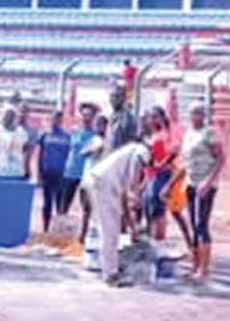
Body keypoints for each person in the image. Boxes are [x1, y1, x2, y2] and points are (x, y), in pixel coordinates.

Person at [81, 140, 150, 286]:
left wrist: (132, 228)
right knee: (110, 231)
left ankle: (108, 268)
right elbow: (133, 182)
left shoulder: (123, 158)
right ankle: (110, 275)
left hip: (98, 181)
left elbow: (124, 201)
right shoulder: (140, 152)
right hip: (103, 183)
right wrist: (136, 195)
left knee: (107, 228)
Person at [182, 102, 226, 281]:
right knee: (193, 224)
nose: (196, 117)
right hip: (190, 182)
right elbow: (186, 161)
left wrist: (208, 181)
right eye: (193, 113)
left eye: (199, 113)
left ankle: (204, 268)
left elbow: (220, 158)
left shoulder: (209, 133)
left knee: (202, 224)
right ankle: (195, 264)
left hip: (205, 184)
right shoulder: (189, 134)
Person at [142, 106, 194, 254]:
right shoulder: (153, 134)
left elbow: (175, 150)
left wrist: (161, 163)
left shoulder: (168, 133)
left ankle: (187, 245)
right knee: (149, 208)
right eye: (150, 117)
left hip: (164, 175)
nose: (152, 120)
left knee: (164, 210)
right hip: (151, 175)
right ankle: (153, 243)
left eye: (155, 117)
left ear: (162, 117)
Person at [60, 102, 99, 215]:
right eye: (84, 115)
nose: (86, 118)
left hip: (86, 174)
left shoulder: (95, 135)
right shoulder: (74, 132)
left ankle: (83, 231)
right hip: (71, 171)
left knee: (86, 207)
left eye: (89, 115)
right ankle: (61, 228)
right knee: (64, 203)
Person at [36, 110, 71, 232]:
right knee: (47, 203)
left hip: (61, 174)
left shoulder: (66, 137)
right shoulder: (44, 135)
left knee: (59, 204)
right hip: (47, 173)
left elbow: (68, 155)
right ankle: (45, 229)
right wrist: (39, 172)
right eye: (54, 118)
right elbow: (40, 154)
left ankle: (58, 231)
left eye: (58, 119)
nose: (55, 121)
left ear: (61, 121)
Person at [76, 114, 107, 245]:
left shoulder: (108, 141)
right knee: (85, 209)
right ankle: (82, 236)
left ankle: (99, 237)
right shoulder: (94, 139)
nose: (99, 127)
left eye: (102, 124)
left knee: (100, 210)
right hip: (87, 177)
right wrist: (89, 150)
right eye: (97, 124)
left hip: (99, 180)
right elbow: (82, 153)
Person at [0, 105, 29, 178]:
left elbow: (25, 150)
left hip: (16, 172)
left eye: (11, 115)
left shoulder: (22, 132)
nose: (9, 118)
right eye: (6, 115)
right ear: (2, 116)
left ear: (15, 117)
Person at [104, 83, 139, 155]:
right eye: (112, 96)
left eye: (117, 96)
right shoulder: (112, 115)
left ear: (124, 98)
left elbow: (128, 142)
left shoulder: (126, 117)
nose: (114, 99)